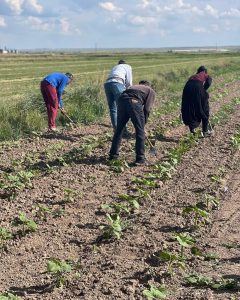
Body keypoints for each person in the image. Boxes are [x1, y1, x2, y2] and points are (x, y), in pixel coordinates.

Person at [109, 80, 156, 165]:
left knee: (119, 129)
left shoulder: (133, 87)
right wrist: (142, 125)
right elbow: (147, 109)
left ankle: (113, 155)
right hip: (134, 101)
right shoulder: (150, 91)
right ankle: (140, 158)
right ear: (149, 86)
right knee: (139, 131)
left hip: (121, 100)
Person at [181, 66, 213, 137]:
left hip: (187, 88)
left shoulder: (193, 76)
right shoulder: (205, 74)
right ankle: (205, 131)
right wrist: (204, 90)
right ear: (205, 71)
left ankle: (192, 130)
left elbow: (190, 84)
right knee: (203, 108)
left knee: (190, 106)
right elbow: (209, 81)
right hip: (197, 87)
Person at [104, 60, 133, 133]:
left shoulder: (115, 67)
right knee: (122, 108)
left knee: (113, 108)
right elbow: (129, 82)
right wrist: (130, 92)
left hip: (107, 84)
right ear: (125, 63)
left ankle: (116, 129)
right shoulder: (127, 66)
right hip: (117, 83)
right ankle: (124, 131)